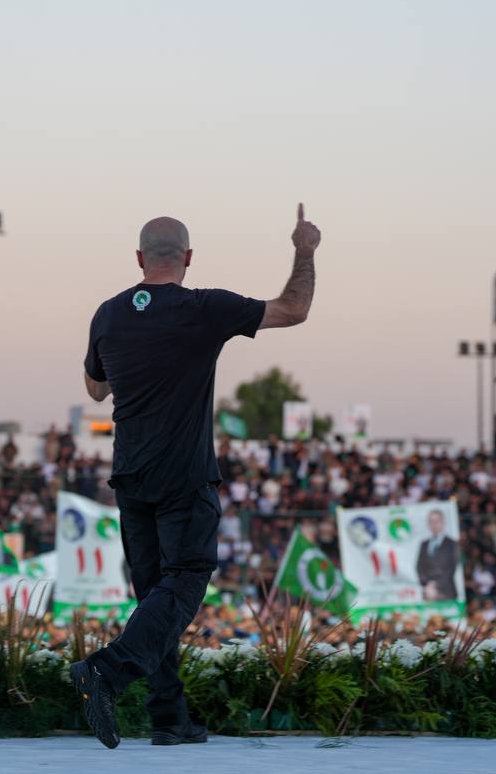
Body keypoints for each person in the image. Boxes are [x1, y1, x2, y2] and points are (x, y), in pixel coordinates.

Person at [71, 204, 320, 749]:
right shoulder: (204, 308)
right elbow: (294, 309)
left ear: (139, 259)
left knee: (155, 599)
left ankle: (169, 717)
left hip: (130, 475)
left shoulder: (108, 314)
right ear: (187, 258)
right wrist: (304, 249)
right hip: (183, 476)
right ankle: (106, 672)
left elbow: (95, 390)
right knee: (184, 581)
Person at [415, 508, 459, 601]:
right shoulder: (424, 544)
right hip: (428, 593)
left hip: (446, 592)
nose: (434, 524)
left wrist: (435, 585)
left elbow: (452, 568)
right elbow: (419, 567)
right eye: (431, 521)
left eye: (437, 520)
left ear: (443, 522)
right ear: (428, 524)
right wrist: (427, 584)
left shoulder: (452, 544)